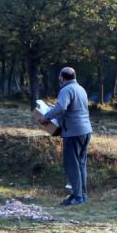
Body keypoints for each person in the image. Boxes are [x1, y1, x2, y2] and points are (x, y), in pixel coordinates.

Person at [40, 66, 92, 205]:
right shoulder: (80, 89)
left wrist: (46, 117)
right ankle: (82, 195)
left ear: (62, 78)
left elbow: (61, 107)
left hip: (73, 132)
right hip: (86, 130)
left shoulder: (66, 89)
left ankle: (77, 196)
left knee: (71, 164)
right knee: (81, 164)